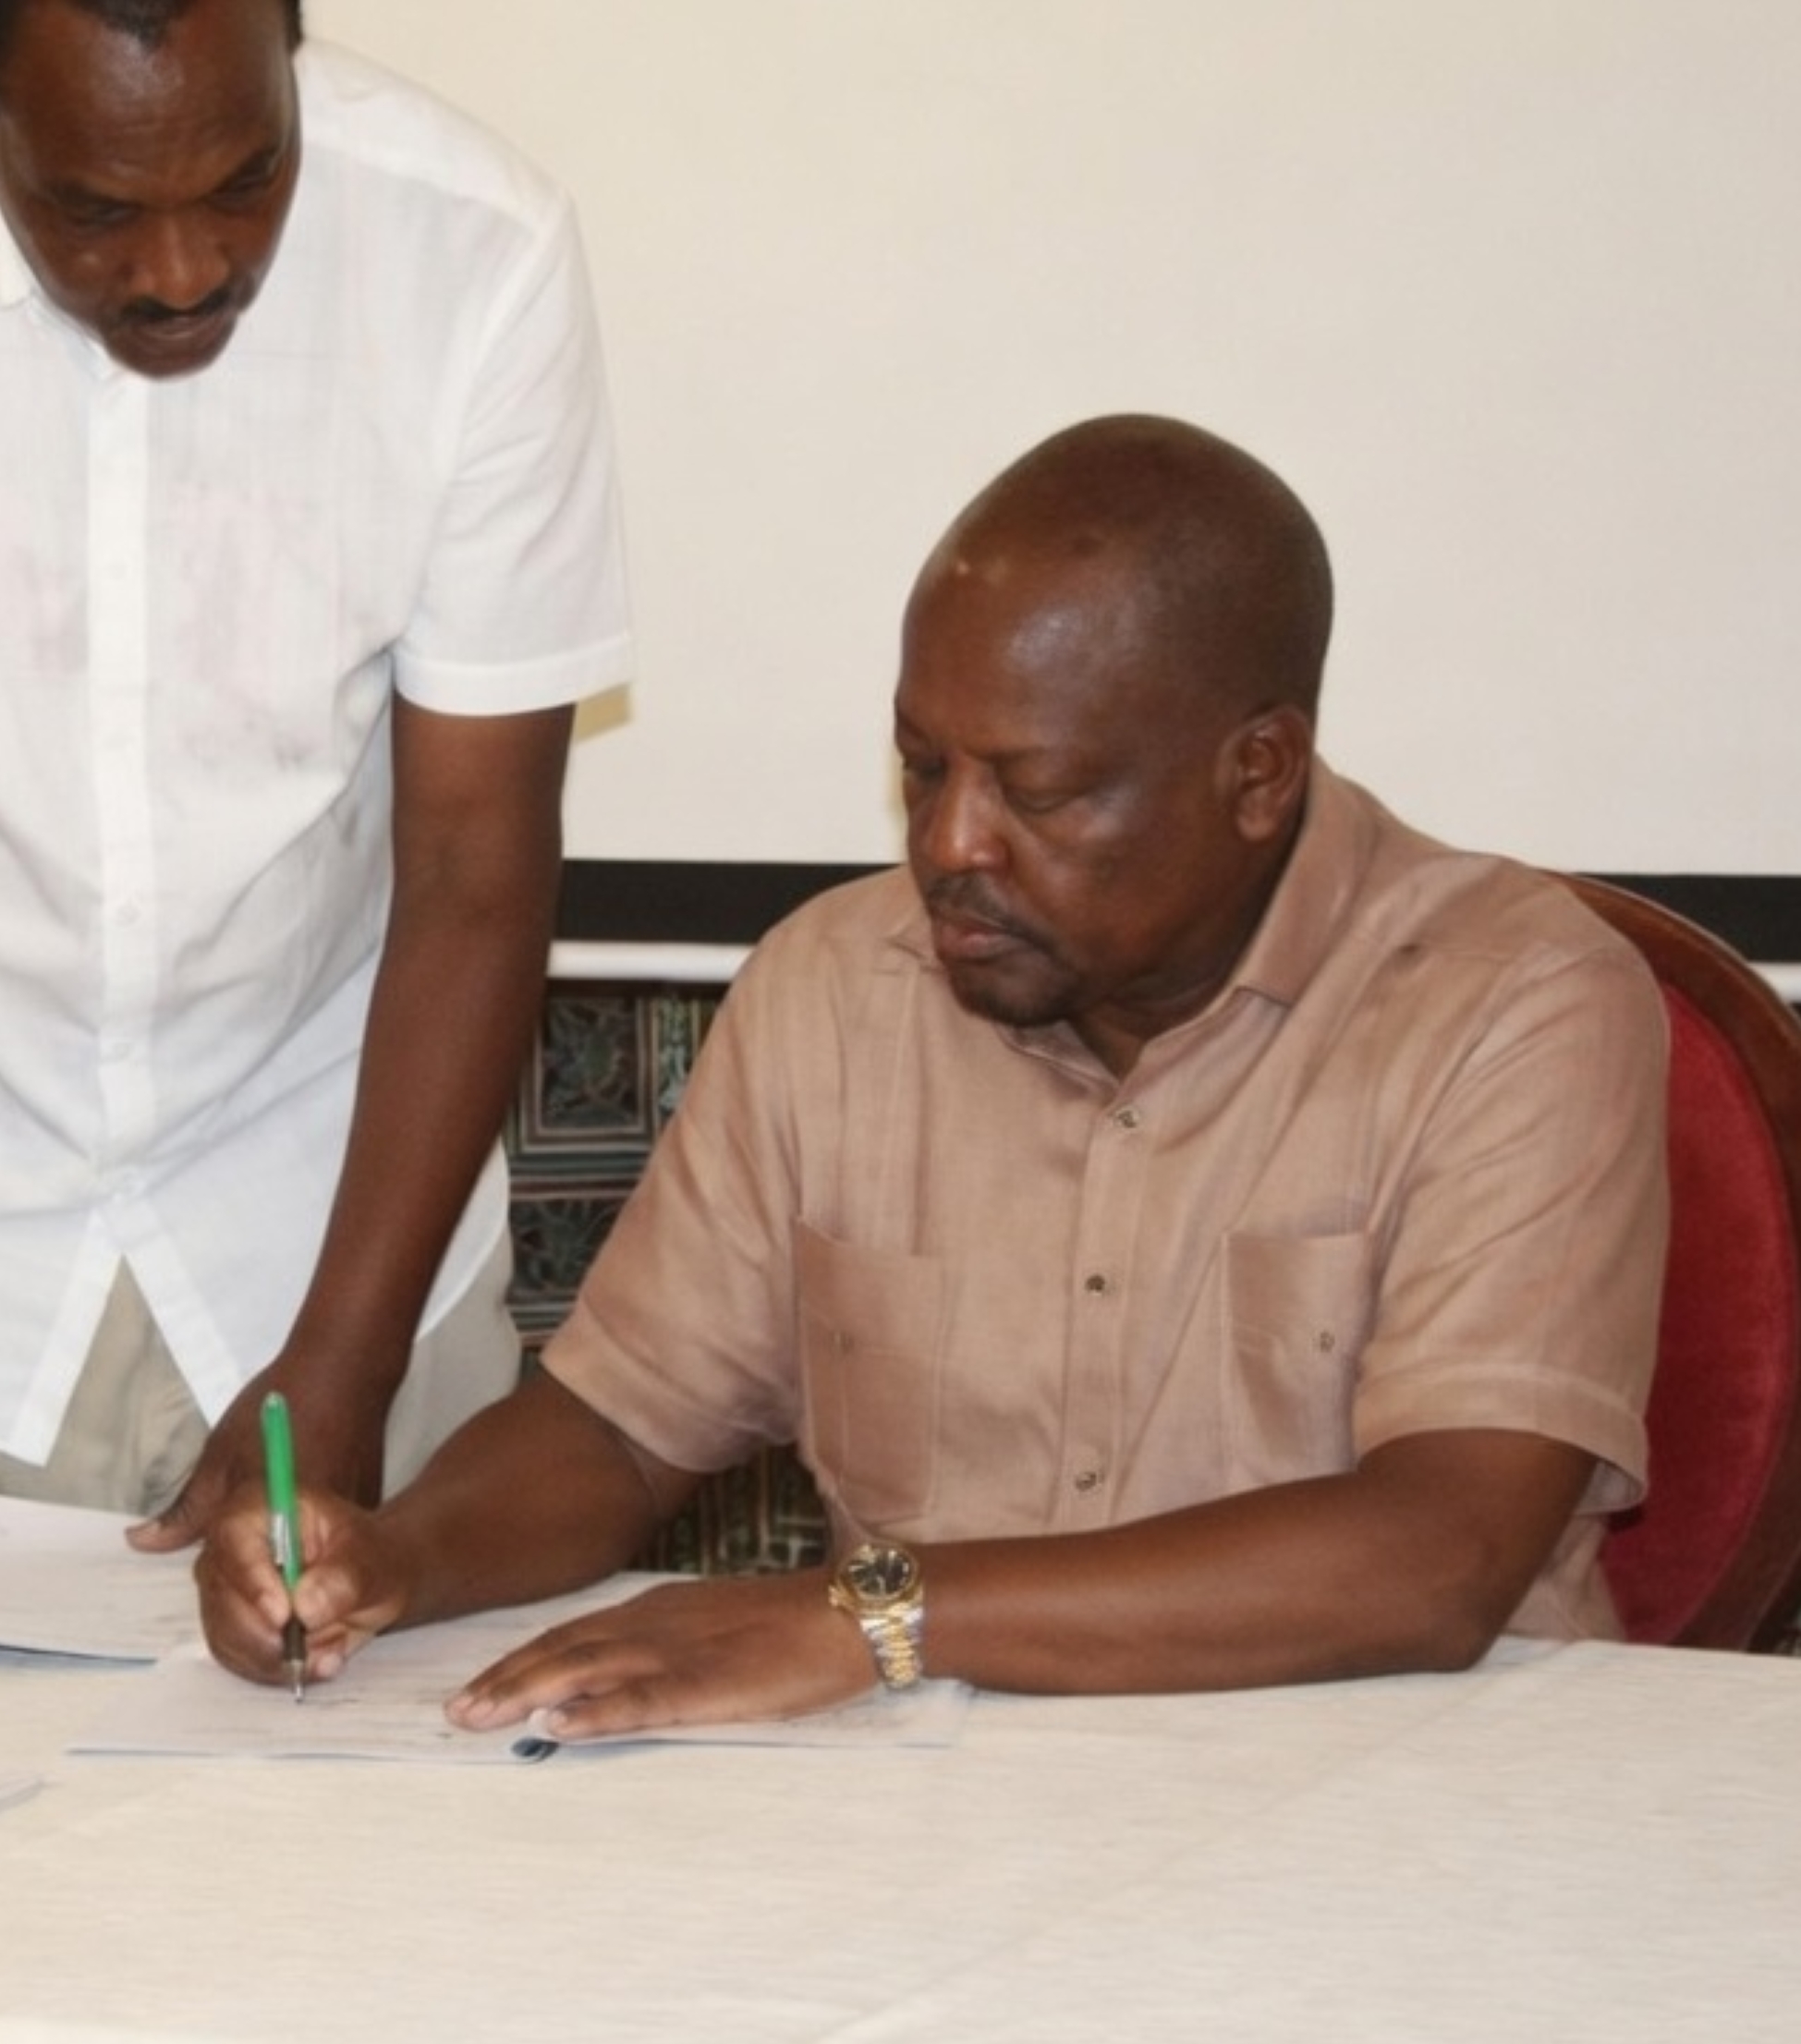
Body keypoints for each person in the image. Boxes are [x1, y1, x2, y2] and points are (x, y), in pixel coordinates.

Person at [196, 415, 1671, 1733]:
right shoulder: (834, 989)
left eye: (1040, 792)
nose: (952, 844)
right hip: (926, 1827)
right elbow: (614, 1432)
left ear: (1258, 775)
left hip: (1389, 1814)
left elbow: (1439, 1557)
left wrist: (873, 1614)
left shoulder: (1512, 1004)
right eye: (922, 767)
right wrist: (398, 1554)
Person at [0, 0, 633, 1602]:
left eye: (248, 179)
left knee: (384, 1773)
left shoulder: (476, 254)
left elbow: (474, 869)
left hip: (343, 1242)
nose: (182, 269)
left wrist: (349, 1360)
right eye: (93, 209)